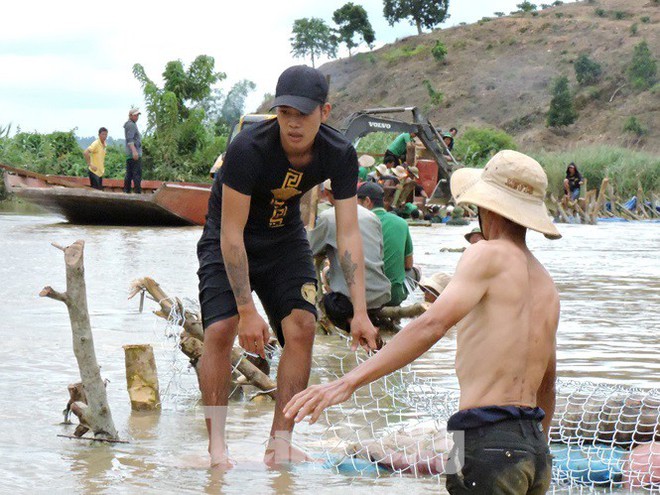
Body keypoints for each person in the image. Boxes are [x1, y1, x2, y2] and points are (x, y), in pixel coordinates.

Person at [285, 150, 562, 495]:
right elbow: (547, 383)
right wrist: (539, 446)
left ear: (486, 207)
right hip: (534, 448)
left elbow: (431, 325)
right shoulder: (546, 284)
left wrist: (347, 382)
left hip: (484, 438)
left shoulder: (486, 253)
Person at [195, 65, 379, 468]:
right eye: (285, 114)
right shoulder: (248, 148)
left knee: (302, 325)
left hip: (284, 238)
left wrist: (361, 311)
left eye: (304, 115)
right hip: (228, 238)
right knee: (220, 328)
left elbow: (349, 236)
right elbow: (230, 233)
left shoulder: (340, 154)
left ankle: (279, 443)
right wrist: (246, 310)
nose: (293, 124)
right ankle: (217, 450)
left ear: (324, 112)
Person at [309, 179, 391, 332]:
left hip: (349, 302)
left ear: (327, 194)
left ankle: (353, 325)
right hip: (380, 295)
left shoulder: (328, 216)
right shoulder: (371, 216)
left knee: (328, 302)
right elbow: (379, 254)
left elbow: (310, 249)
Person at [356, 182, 414, 307]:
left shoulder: (357, 222)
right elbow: (408, 264)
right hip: (394, 296)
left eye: (357, 203)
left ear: (367, 201)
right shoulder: (402, 223)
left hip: (363, 297)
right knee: (416, 271)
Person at [123, 107, 142, 193]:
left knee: (129, 174)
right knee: (136, 175)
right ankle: (137, 193)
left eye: (138, 115)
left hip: (130, 154)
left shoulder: (130, 124)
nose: (137, 117)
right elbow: (130, 139)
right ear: (130, 115)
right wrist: (134, 151)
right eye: (135, 115)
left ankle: (126, 191)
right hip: (133, 154)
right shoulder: (131, 125)